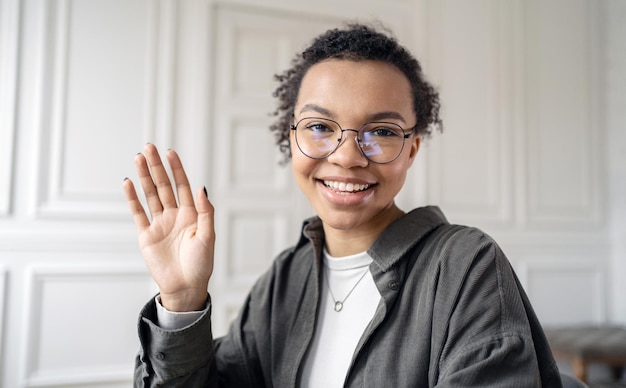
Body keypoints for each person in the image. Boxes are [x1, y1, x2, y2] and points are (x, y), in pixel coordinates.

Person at [124, 23, 563, 387]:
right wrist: (182, 301)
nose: (348, 156)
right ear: (289, 137)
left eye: (383, 131)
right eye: (319, 126)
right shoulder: (284, 278)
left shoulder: (465, 266)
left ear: (412, 149)